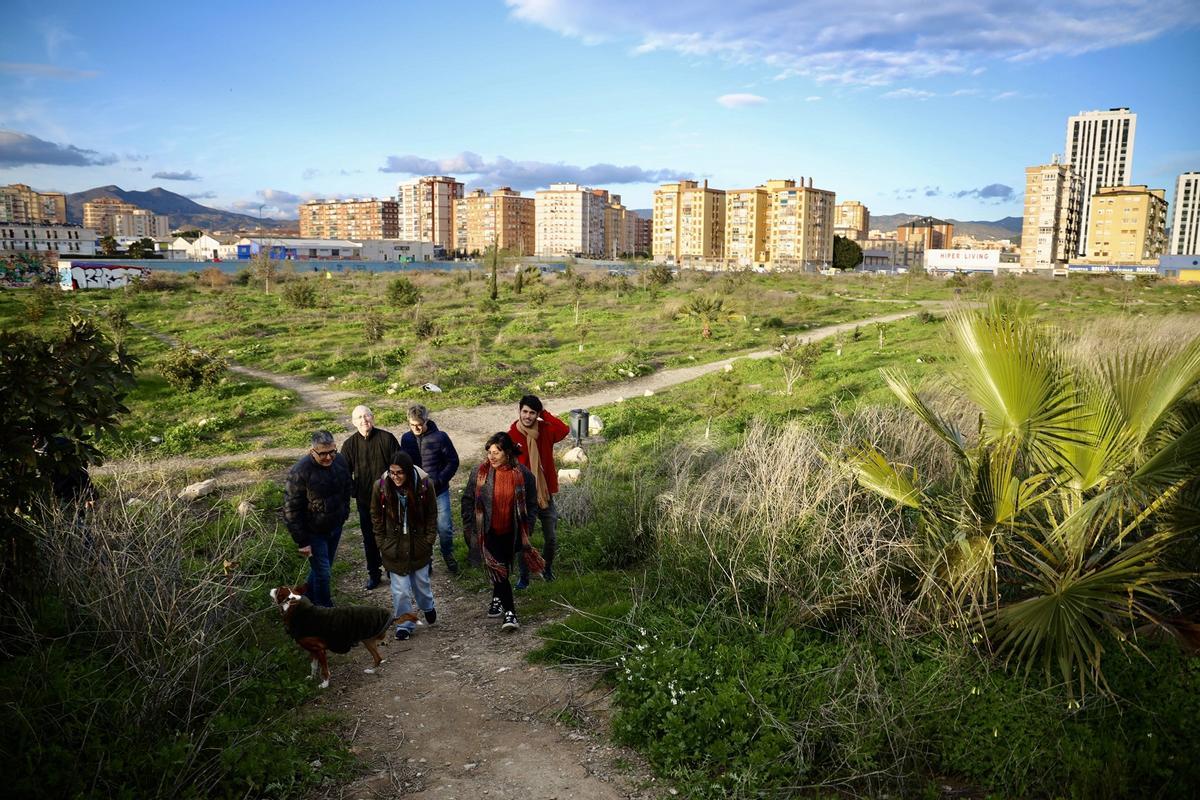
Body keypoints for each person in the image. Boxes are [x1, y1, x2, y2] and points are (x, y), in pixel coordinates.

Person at [460, 432, 542, 632]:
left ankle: (497, 598)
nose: (492, 456)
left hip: (512, 532)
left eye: (496, 452)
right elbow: (468, 500)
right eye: (489, 452)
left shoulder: (523, 475)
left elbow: (532, 505)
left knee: (503, 567)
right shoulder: (479, 473)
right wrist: (470, 525)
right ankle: (510, 613)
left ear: (507, 453)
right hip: (487, 531)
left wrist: (527, 528)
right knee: (501, 572)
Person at [372, 451, 438, 641]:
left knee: (421, 584)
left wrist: (429, 539)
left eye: (400, 472)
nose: (395, 477)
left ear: (408, 471)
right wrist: (381, 542)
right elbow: (375, 515)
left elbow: (432, 513)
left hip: (419, 545)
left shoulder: (425, 485)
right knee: (400, 590)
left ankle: (427, 606)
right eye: (392, 472)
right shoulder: (381, 487)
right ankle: (404, 623)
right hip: (393, 547)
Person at [284, 430, 353, 608]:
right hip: (313, 533)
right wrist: (302, 542)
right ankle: (325, 609)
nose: (329, 457)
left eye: (332, 452)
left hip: (335, 526)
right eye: (323, 454)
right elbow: (292, 509)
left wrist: (344, 513)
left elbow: (346, 487)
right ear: (312, 451)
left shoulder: (340, 461)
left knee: (324, 568)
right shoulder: (300, 472)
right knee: (323, 573)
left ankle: (307, 600)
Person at [507, 394, 569, 588]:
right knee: (523, 539)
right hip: (524, 497)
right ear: (519, 411)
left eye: (532, 412)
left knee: (551, 537)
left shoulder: (545, 430)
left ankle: (547, 568)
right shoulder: (511, 436)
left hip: (545, 493)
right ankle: (524, 577)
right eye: (524, 411)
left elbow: (564, 429)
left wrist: (545, 414)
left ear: (537, 414)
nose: (527, 416)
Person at [340, 405, 400, 590]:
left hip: (389, 499)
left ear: (373, 418)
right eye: (359, 417)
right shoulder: (349, 445)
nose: (364, 420)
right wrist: (354, 491)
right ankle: (374, 574)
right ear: (353, 422)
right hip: (365, 501)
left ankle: (393, 570)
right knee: (369, 538)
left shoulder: (387, 438)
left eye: (367, 416)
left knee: (391, 535)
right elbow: (343, 473)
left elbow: (399, 466)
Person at [399, 403, 461, 574]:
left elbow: (453, 461)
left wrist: (440, 480)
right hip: (417, 492)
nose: (416, 428)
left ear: (426, 420)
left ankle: (448, 554)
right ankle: (427, 560)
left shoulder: (440, 437)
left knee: (445, 528)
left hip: (438, 491)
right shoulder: (406, 439)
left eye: (419, 424)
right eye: (412, 425)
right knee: (421, 529)